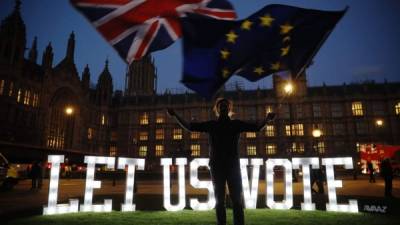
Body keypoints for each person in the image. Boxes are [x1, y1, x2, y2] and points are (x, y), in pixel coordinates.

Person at [167, 98, 275, 225]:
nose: (223, 107)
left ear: (229, 109)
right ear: (217, 110)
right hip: (219, 167)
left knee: (237, 201)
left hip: (231, 167)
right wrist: (175, 116)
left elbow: (256, 127)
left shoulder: (235, 124)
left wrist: (267, 120)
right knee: (220, 201)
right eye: (221, 105)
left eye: (225, 105)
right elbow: (190, 127)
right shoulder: (212, 125)